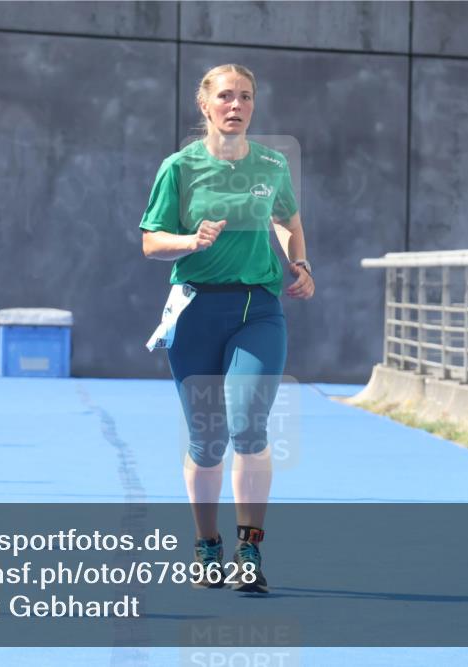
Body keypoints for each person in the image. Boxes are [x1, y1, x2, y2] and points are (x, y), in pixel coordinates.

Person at [140, 64, 314, 593]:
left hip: (257, 309)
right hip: (196, 311)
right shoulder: (180, 167)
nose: (235, 105)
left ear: (253, 106)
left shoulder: (272, 165)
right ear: (205, 105)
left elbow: (287, 219)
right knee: (207, 440)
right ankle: (206, 543)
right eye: (225, 97)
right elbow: (151, 241)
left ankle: (249, 549)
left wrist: (300, 264)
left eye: (244, 97)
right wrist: (190, 241)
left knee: (248, 426)